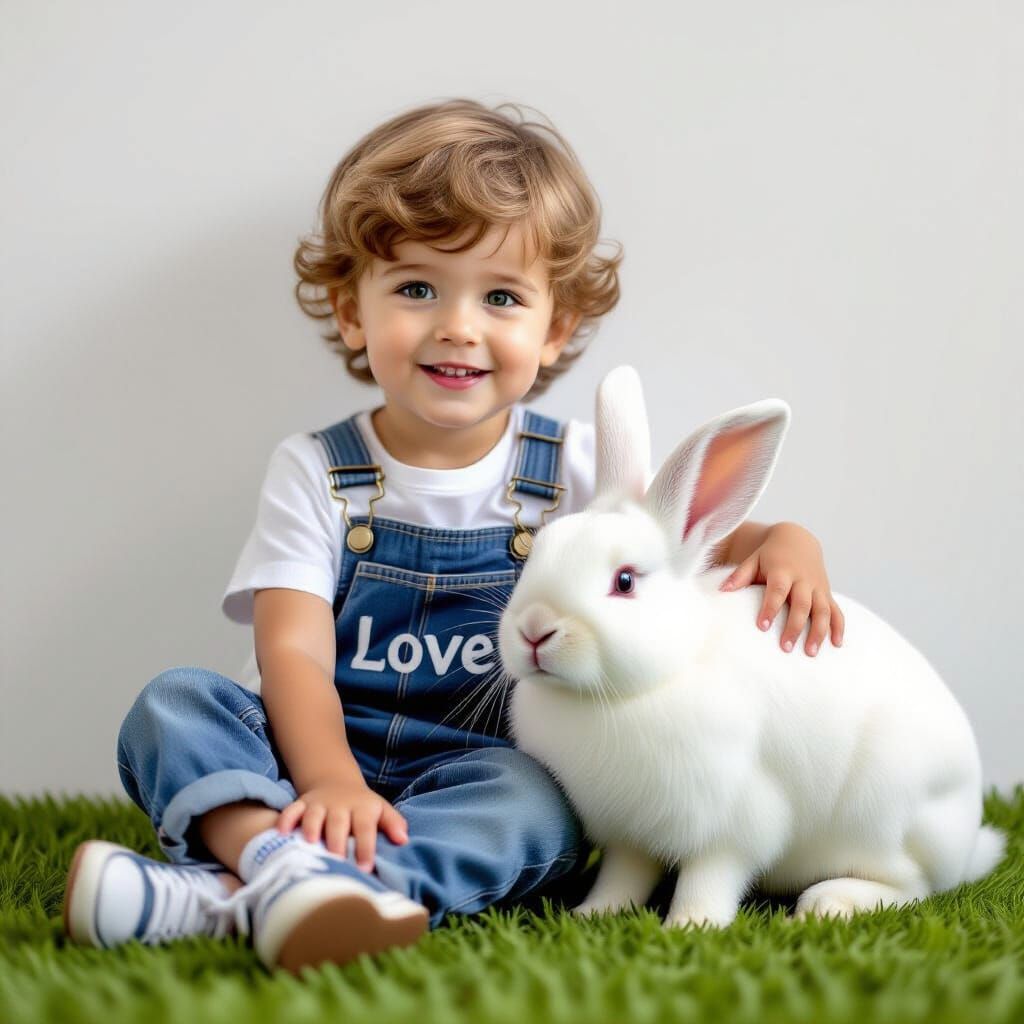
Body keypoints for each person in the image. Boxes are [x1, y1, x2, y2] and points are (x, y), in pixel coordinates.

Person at [63, 98, 846, 973]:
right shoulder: (317, 471)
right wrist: (328, 784)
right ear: (352, 311)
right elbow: (292, 657)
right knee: (175, 704)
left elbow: (684, 537)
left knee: (540, 809)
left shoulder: (577, 466)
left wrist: (790, 544)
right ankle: (271, 858)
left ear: (552, 330)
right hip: (305, 764)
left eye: (501, 296)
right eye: (416, 288)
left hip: (477, 775)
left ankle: (230, 897)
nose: (458, 325)